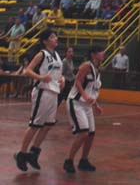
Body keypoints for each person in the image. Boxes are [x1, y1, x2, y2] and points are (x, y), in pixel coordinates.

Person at [14, 29, 64, 172]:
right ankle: (21, 154)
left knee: (48, 125)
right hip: (43, 91)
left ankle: (34, 152)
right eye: (52, 37)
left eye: (55, 36)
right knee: (35, 124)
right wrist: (40, 78)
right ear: (45, 41)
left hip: (54, 92)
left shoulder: (57, 56)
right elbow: (27, 70)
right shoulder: (42, 54)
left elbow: (56, 73)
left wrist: (62, 79)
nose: (56, 38)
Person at [63, 46, 104, 173]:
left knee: (91, 134)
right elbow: (78, 82)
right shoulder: (86, 66)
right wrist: (85, 96)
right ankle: (69, 160)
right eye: (101, 52)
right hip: (76, 102)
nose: (103, 54)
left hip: (87, 105)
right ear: (93, 54)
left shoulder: (97, 70)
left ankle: (84, 160)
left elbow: (92, 89)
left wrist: (95, 104)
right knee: (83, 133)